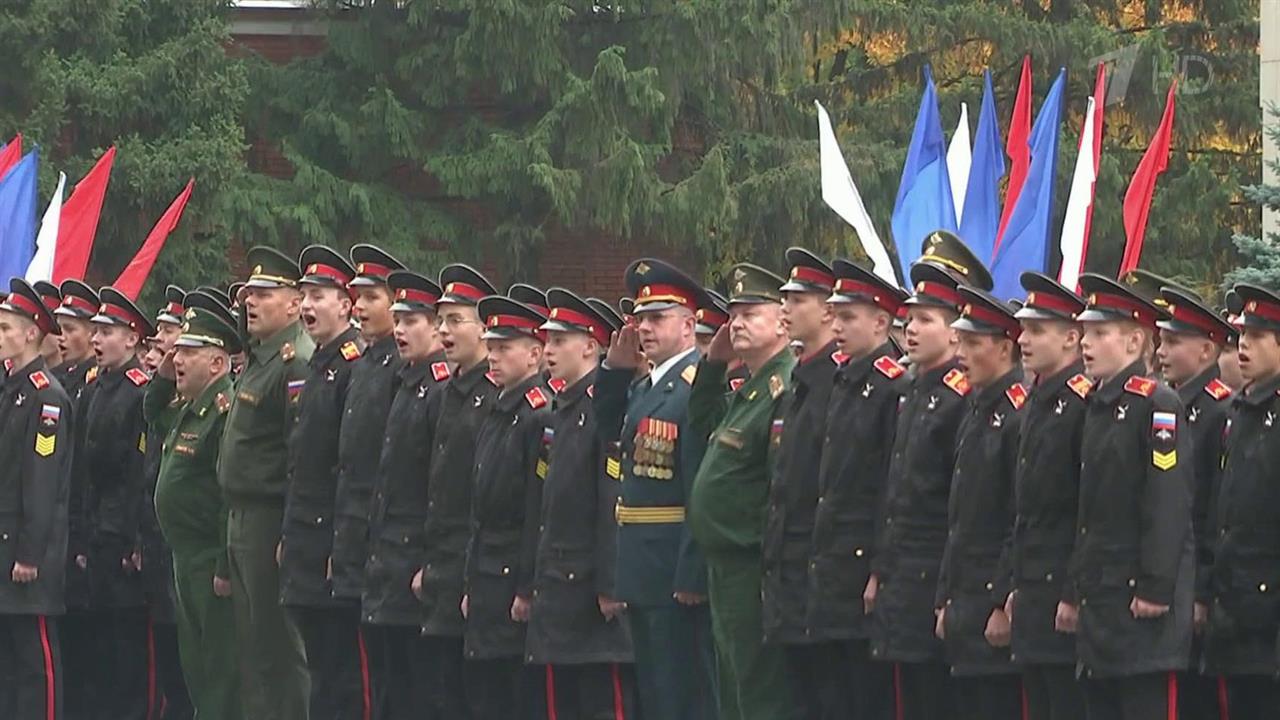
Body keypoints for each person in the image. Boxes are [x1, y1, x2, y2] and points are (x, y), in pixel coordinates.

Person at [868, 231, 992, 720]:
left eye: (925, 319)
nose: (911, 329)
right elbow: (894, 493)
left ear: (957, 332)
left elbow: (959, 506)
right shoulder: (913, 390)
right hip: (903, 579)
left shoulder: (960, 399)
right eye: (909, 319)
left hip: (935, 580)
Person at [593, 258, 718, 720]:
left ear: (689, 326)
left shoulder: (695, 389)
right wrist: (612, 370)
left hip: (672, 567)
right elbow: (607, 435)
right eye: (640, 318)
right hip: (642, 565)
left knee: (682, 691)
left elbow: (699, 488)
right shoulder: (646, 387)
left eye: (657, 318)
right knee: (653, 690)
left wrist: (691, 572)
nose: (644, 327)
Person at [1070, 273, 1193, 720]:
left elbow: (1166, 500)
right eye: (1085, 332)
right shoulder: (1095, 405)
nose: (1087, 343)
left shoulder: (1156, 404)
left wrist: (1156, 586)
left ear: (1134, 341)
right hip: (1101, 600)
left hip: (1140, 604)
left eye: (1101, 333)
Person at [688, 262, 796, 720]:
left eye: (751, 313)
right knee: (732, 687)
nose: (737, 323)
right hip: (724, 563)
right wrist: (713, 362)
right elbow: (701, 422)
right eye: (734, 314)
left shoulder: (783, 386)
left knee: (758, 691)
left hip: (752, 563)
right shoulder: (749, 389)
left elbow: (780, 484)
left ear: (782, 322)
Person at [804, 260, 908, 720]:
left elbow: (890, 485)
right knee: (829, 693)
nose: (837, 325)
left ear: (881, 322)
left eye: (848, 317)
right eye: (835, 315)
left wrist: (879, 568)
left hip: (863, 561)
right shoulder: (842, 379)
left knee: (867, 697)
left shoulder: (891, 387)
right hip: (830, 561)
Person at [527, 288, 636, 719]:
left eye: (559, 341)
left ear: (590, 346)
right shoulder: (561, 409)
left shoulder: (600, 410)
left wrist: (610, 585)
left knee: (601, 704)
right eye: (548, 341)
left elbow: (612, 500)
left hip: (590, 590)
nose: (548, 350)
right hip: (559, 585)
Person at [218, 246, 315, 720]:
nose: (249, 302)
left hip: (269, 519)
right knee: (250, 645)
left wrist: (288, 532)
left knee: (279, 645)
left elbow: (297, 455)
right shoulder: (259, 359)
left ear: (295, 303)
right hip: (240, 517)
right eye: (247, 294)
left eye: (263, 293)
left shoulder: (294, 362)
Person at [278, 245, 365, 720]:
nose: (308, 306)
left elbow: (346, 465)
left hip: (332, 542)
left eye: (319, 295)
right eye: (304, 295)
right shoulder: (317, 364)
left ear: (345, 305)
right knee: (319, 665)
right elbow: (301, 460)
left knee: (339, 673)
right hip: (305, 539)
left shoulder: (351, 366)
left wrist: (338, 541)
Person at [362, 269, 450, 719]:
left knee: (420, 690)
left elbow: (439, 486)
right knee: (389, 684)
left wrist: (426, 563)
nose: (398, 330)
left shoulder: (438, 390)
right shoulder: (405, 382)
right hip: (386, 558)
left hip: (414, 558)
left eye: (411, 320)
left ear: (436, 327)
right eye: (396, 320)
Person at [412, 264, 499, 718]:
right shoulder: (446, 389)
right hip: (441, 564)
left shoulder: (495, 392)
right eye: (440, 320)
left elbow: (484, 495)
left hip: (475, 569)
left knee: (473, 697)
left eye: (456, 320)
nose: (444, 330)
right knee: (438, 692)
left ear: (485, 327)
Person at [934, 286, 1025, 720]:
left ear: (1005, 348)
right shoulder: (975, 408)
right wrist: (945, 597)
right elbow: (958, 517)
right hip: (964, 600)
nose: (961, 352)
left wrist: (999, 601)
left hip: (992, 604)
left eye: (972, 343)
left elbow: (1016, 517)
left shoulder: (1015, 414)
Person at [148, 306, 243, 720]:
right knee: (195, 665)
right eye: (176, 351)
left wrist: (225, 562)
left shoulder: (224, 411)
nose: (177, 358)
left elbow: (230, 494)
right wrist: (167, 373)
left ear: (218, 362)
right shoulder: (191, 407)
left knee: (220, 668)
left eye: (188, 351)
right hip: (184, 556)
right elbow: (151, 413)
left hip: (210, 559)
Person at [461, 294, 552, 719]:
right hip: (486, 569)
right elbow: (479, 504)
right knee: (485, 693)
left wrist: (525, 586)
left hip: (511, 568)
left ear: (534, 354)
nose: (492, 357)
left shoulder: (537, 414)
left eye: (503, 349)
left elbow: (535, 508)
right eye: (490, 348)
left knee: (515, 695)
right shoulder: (500, 407)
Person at [1006, 272, 1089, 720]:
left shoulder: (1080, 404)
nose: (1024, 339)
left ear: (1072, 338)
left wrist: (1072, 592)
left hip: (1062, 590)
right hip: (1032, 587)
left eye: (1038, 330)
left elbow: (1085, 508)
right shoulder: (1036, 401)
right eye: (1023, 329)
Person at [762, 248, 839, 718]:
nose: (785, 309)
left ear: (828, 309)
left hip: (818, 565)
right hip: (790, 568)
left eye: (798, 300)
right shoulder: (799, 382)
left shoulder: (836, 381)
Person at [1154, 285, 1236, 720]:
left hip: (1197, 583)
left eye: (1173, 342)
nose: (1161, 351)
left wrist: (1202, 589)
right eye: (1161, 341)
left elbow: (1211, 509)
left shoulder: (1217, 411)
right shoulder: (1174, 404)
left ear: (1207, 349)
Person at [331, 244, 405, 716]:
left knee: (378, 674)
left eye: (370, 297)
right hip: (354, 527)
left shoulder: (399, 367)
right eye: (355, 297)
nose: (358, 307)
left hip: (381, 528)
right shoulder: (362, 362)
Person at [1202, 283, 1280, 718]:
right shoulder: (1239, 410)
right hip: (1234, 615)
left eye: (1256, 337)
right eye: (1240, 337)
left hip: (1268, 619)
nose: (1243, 346)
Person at [0, 278, 73, 720]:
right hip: (5, 541)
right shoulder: (12, 390)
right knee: (10, 661)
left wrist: (30, 552)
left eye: (6, 328)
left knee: (35, 661)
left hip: (28, 551)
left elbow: (41, 480)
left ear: (31, 333)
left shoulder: (47, 398)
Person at [83, 286, 156, 720]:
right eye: (95, 331)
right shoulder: (98, 387)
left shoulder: (138, 391)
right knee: (101, 643)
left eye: (106, 331)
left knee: (130, 648)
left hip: (124, 534)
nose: (96, 339)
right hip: (96, 530)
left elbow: (138, 472)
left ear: (131, 339)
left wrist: (135, 539)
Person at [138, 285, 195, 720]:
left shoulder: (206, 400)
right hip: (162, 546)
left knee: (194, 658)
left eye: (175, 338)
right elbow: (151, 407)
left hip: (195, 550)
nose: (165, 346)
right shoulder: (169, 397)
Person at [50, 279, 100, 720]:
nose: (63, 337)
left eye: (71, 328)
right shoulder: (65, 380)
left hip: (89, 527)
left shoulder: (85, 385)